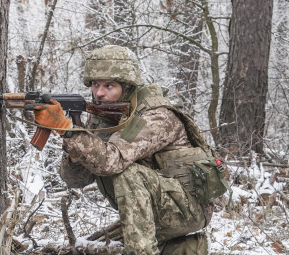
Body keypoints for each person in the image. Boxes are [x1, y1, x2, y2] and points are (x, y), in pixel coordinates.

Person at [34, 45, 228, 255]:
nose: (99, 93)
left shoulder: (156, 116)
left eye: (109, 86)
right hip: (154, 211)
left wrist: (67, 131)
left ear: (127, 86)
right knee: (89, 248)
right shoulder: (104, 117)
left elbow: (112, 161)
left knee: (127, 172)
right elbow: (76, 180)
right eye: (95, 85)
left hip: (187, 210)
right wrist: (74, 148)